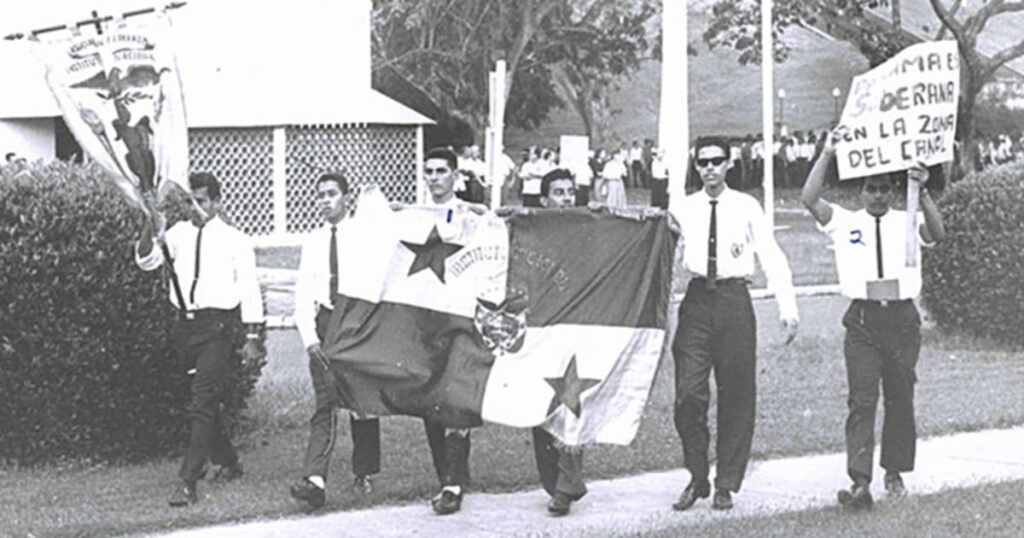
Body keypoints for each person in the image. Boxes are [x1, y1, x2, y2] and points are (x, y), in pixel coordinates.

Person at [801, 128, 945, 510]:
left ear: (893, 192)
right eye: (871, 188)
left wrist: (924, 189)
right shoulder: (846, 222)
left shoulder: (907, 217)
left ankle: (894, 471)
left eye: (884, 189)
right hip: (863, 319)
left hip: (901, 320)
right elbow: (809, 198)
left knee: (900, 397)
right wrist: (828, 152)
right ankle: (859, 481)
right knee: (862, 400)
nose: (878, 195)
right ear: (860, 192)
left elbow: (938, 232)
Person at [671, 136, 799, 512]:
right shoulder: (683, 207)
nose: (709, 168)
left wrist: (787, 307)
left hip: (733, 301)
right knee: (688, 394)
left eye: (717, 161)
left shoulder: (746, 206)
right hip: (696, 302)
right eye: (703, 162)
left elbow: (771, 255)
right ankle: (697, 476)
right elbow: (658, 252)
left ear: (729, 164)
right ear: (696, 167)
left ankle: (726, 481)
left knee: (737, 394)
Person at [135, 172, 266, 507]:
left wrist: (253, 337)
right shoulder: (177, 233)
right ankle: (230, 462)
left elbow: (249, 289)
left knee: (203, 399)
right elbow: (147, 260)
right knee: (199, 401)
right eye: (191, 200)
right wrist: (152, 223)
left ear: (218, 202)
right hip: (186, 329)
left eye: (202, 200)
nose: (196, 207)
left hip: (218, 329)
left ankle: (187, 481)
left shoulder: (235, 239)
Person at [289, 173, 380, 511]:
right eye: (320, 195)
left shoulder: (364, 234)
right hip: (326, 322)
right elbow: (302, 293)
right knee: (325, 403)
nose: (325, 200)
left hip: (357, 322)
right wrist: (310, 338)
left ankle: (366, 470)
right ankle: (315, 479)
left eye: (332, 194)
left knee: (361, 402)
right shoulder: (313, 241)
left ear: (346, 197)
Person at [529, 168, 589, 516]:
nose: (565, 198)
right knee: (540, 407)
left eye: (569, 192)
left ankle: (567, 485)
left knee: (571, 403)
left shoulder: (588, 230)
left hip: (579, 329)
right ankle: (554, 482)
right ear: (544, 199)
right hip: (541, 330)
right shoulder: (532, 232)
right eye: (558, 192)